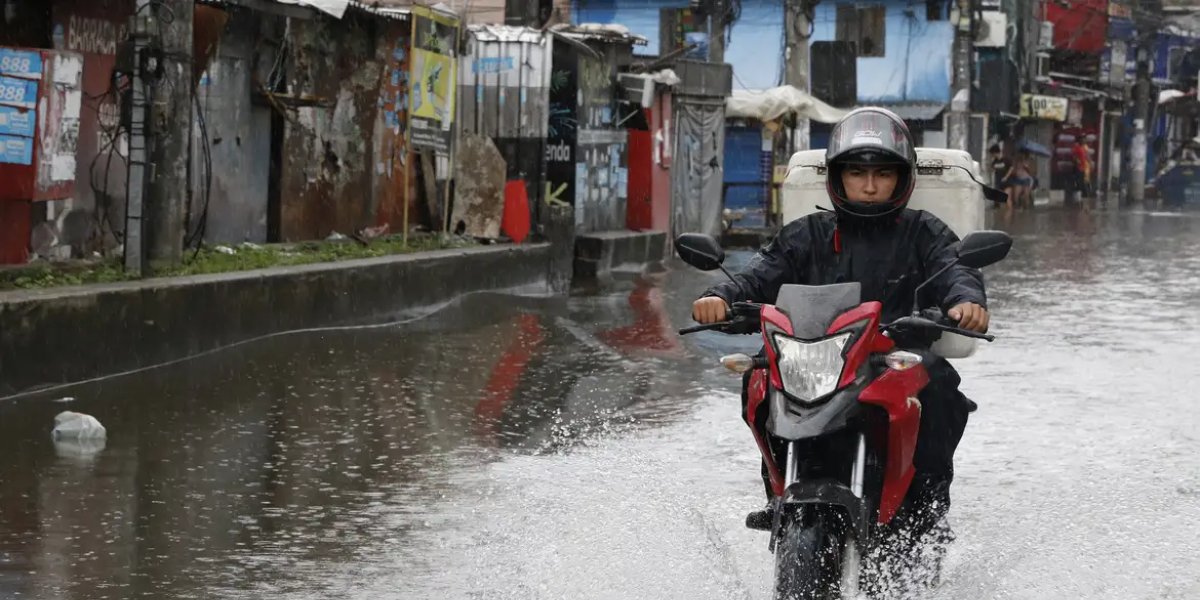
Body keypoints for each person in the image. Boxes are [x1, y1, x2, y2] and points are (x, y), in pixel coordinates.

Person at [691, 107, 990, 538]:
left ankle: (925, 509)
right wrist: (719, 297)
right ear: (837, 177)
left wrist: (966, 303)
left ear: (902, 179)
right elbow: (757, 275)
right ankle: (777, 490)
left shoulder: (924, 231)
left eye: (883, 174)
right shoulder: (806, 234)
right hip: (817, 356)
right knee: (758, 375)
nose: (869, 186)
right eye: (856, 173)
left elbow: (957, 269)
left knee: (941, 386)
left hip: (891, 356)